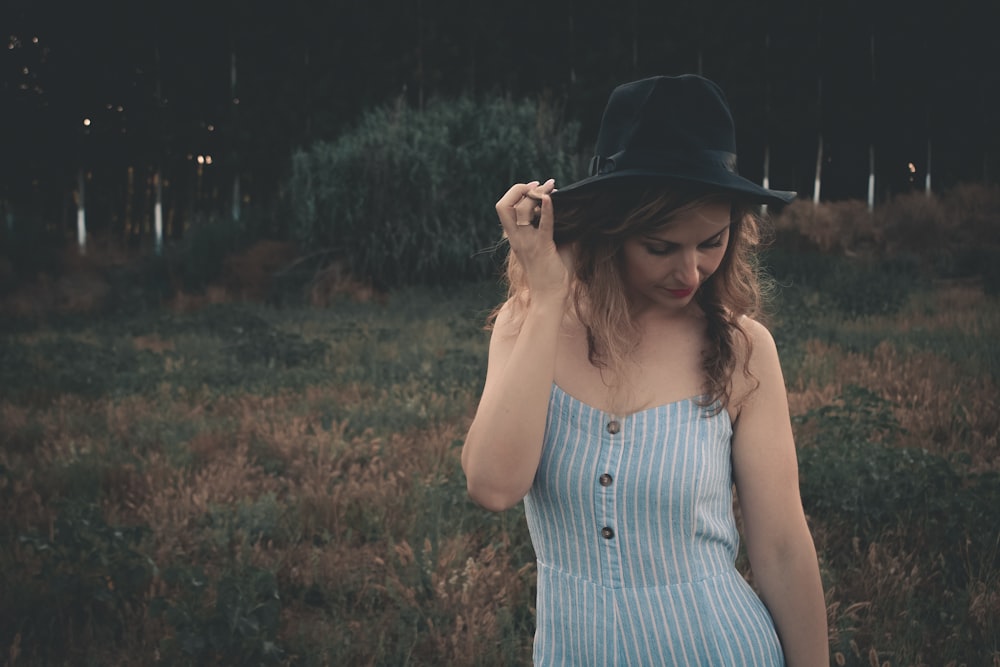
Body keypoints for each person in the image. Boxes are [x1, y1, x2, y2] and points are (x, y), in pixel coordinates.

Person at [461, 75, 828, 666]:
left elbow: (783, 548)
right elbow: (494, 485)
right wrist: (550, 296)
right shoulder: (526, 325)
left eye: (712, 241)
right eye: (661, 247)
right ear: (609, 230)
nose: (692, 270)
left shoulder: (743, 349)